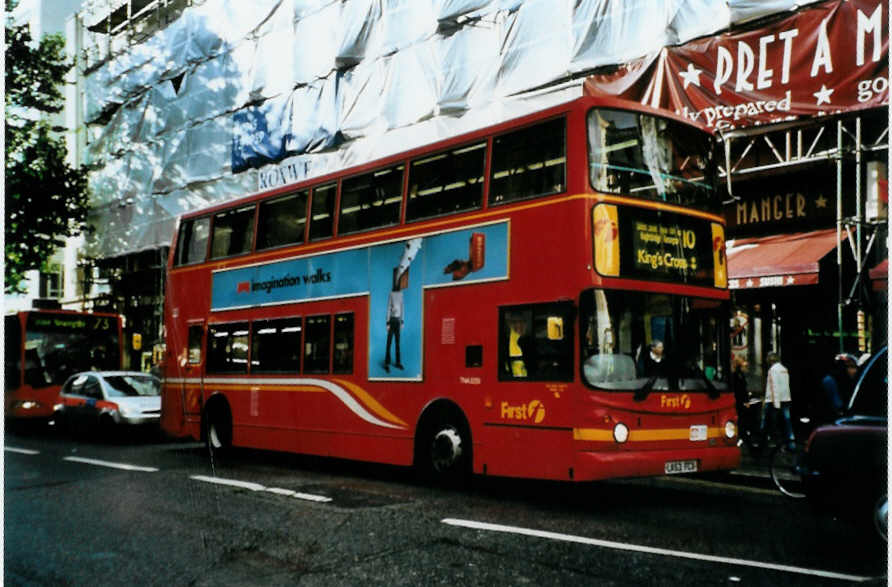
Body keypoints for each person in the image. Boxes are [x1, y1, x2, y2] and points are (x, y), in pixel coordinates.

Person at [763, 352, 794, 447]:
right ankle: (791, 440)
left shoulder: (772, 370)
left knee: (770, 421)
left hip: (773, 400)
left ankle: (771, 441)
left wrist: (776, 404)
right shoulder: (784, 369)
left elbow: (774, 387)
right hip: (785, 399)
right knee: (787, 420)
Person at [819, 353, 859, 421]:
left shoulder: (855, 382)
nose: (854, 371)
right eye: (850, 367)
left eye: (854, 367)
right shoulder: (829, 381)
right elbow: (838, 405)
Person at [384, 275, 404, 373]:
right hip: (391, 320)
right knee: (389, 342)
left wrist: (402, 321)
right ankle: (386, 363)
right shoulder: (391, 294)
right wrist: (387, 323)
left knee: (397, 343)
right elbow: (388, 308)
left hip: (398, 321)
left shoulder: (401, 294)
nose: (397, 283)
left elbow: (402, 307)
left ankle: (398, 362)